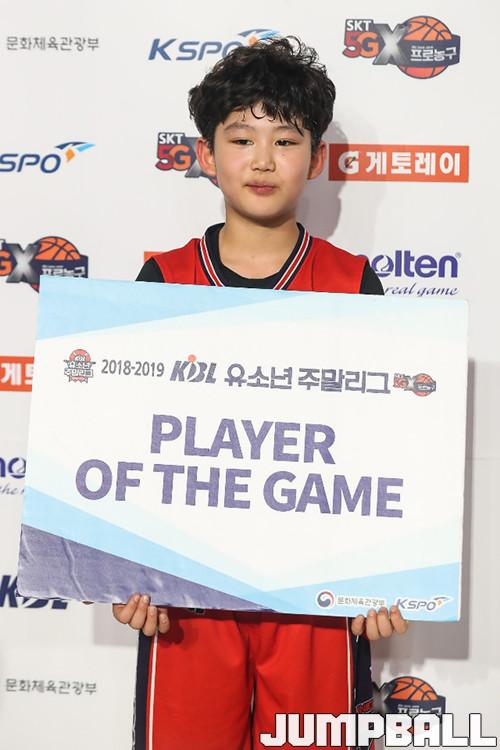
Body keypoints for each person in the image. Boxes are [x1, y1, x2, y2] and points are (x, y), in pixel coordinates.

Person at [114, 37, 409, 750]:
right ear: (207, 155)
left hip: (314, 595)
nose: (264, 159)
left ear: (316, 157)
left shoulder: (352, 283)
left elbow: (386, 445)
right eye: (242, 138)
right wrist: (124, 572)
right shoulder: (164, 280)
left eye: (286, 139)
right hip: (187, 595)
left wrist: (387, 574)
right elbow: (125, 443)